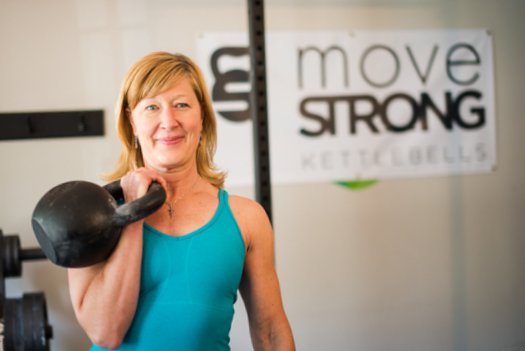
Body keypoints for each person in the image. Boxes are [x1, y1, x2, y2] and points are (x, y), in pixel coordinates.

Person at [67, 51, 295, 350]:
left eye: (181, 105)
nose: (168, 121)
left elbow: (270, 331)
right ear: (132, 121)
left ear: (201, 116)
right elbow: (105, 332)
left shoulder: (247, 218)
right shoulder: (90, 215)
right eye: (151, 107)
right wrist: (134, 210)